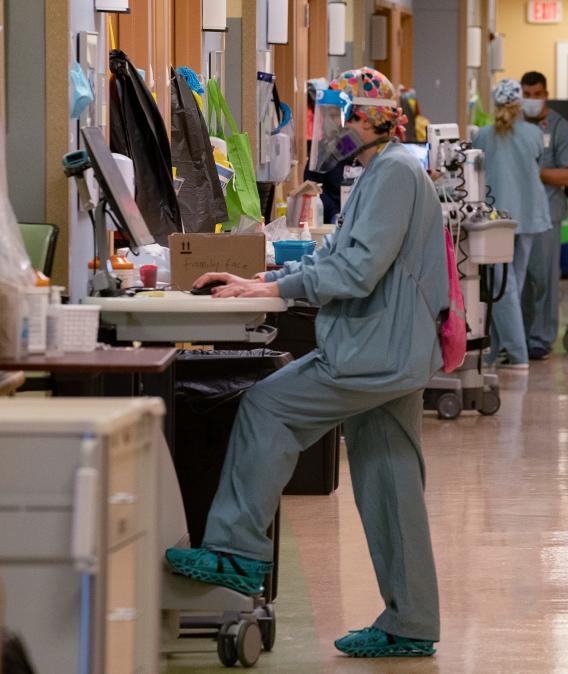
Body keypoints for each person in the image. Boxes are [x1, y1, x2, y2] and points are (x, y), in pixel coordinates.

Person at [165, 67, 447, 658]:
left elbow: (355, 272)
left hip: (376, 352)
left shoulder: (393, 173)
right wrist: (266, 279)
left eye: (340, 118)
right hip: (391, 350)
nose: (332, 130)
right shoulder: (380, 173)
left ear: (368, 119)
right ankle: (412, 623)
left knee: (269, 407)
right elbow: (342, 254)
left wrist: (273, 294)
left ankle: (237, 552)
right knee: (389, 481)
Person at [472, 79, 552, 370]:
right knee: (510, 286)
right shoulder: (534, 134)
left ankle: (515, 354)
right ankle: (498, 351)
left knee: (501, 287)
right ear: (519, 104)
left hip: (497, 221)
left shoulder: (482, 135)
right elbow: (536, 165)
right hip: (528, 214)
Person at [518, 71, 568, 361]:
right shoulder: (514, 125)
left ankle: (541, 339)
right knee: (518, 280)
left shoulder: (558, 128)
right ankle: (517, 337)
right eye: (526, 95)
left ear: (546, 94)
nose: (531, 101)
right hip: (516, 214)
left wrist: (535, 173)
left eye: (537, 95)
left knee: (543, 279)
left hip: (547, 213)